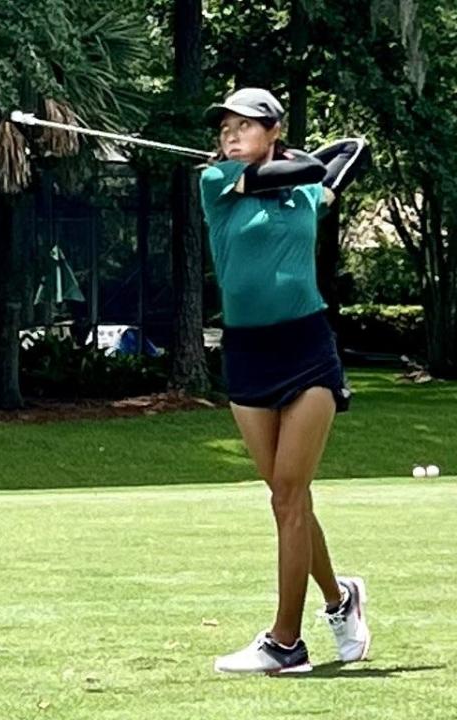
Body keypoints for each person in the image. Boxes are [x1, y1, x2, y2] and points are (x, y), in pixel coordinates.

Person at [199, 87, 372, 674]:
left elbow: (343, 158)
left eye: (243, 125)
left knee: (288, 497)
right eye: (224, 126)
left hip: (306, 348)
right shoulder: (215, 182)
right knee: (285, 497)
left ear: (272, 130)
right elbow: (302, 169)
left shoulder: (304, 191)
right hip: (247, 354)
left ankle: (285, 643)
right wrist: (299, 164)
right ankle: (339, 597)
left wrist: (323, 168)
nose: (229, 133)